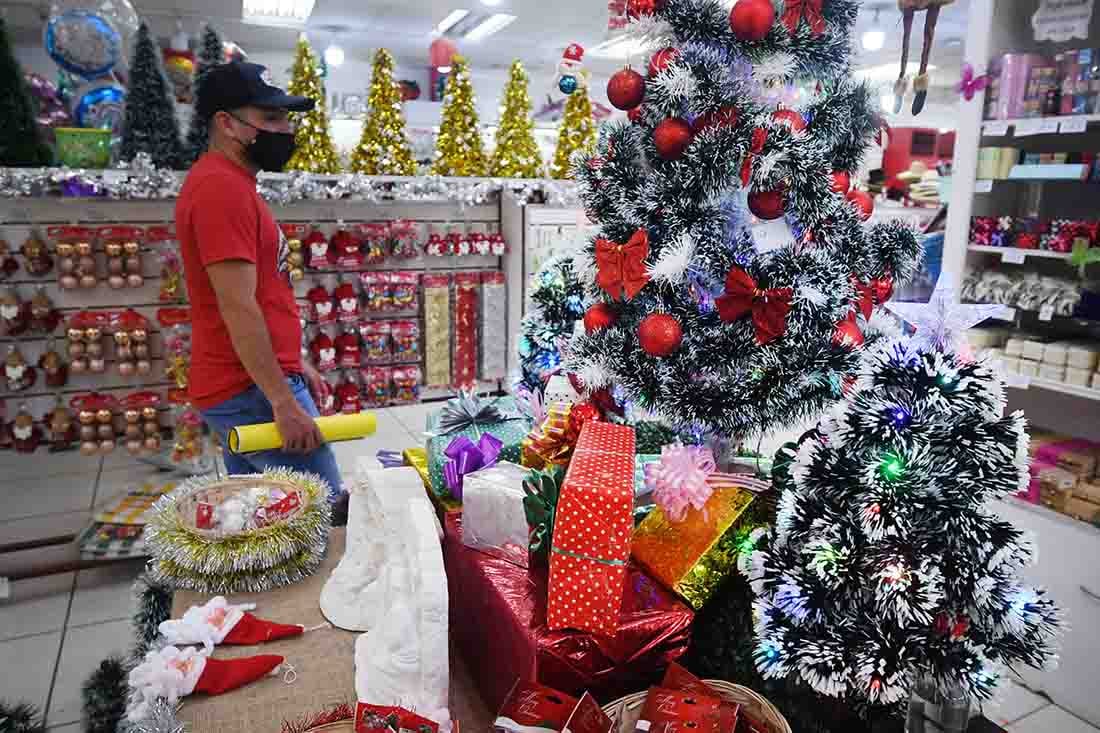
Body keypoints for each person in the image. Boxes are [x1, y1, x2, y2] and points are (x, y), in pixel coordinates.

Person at [175, 61, 346, 523]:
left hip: (249, 381)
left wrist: (294, 362)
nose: (284, 129)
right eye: (270, 119)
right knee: (322, 516)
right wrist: (281, 399)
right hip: (248, 387)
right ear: (226, 123)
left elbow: (258, 294)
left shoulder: (232, 184)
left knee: (266, 517)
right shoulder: (220, 190)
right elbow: (237, 304)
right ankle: (324, 597)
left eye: (286, 118)